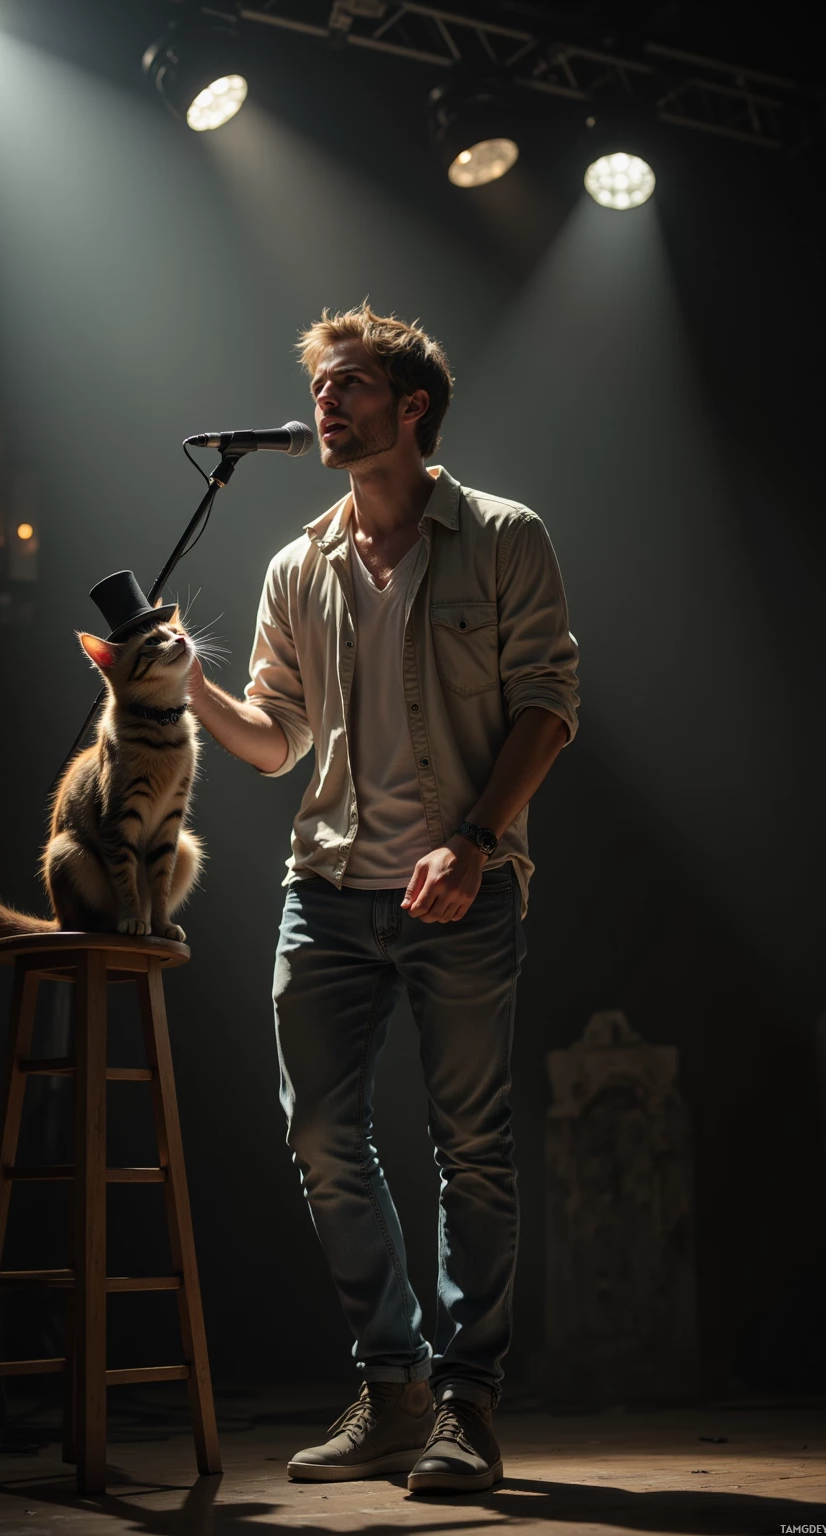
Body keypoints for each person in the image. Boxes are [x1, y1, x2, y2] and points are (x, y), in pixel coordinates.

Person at [187, 303, 579, 1494]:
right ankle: (394, 1384)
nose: (326, 405)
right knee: (319, 1138)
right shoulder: (293, 566)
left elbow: (548, 708)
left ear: (412, 408)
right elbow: (275, 741)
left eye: (350, 385)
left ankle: (468, 1401)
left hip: (465, 888)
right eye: (321, 388)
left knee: (471, 1149)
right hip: (331, 890)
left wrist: (472, 841)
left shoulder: (504, 536)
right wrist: (183, 685)